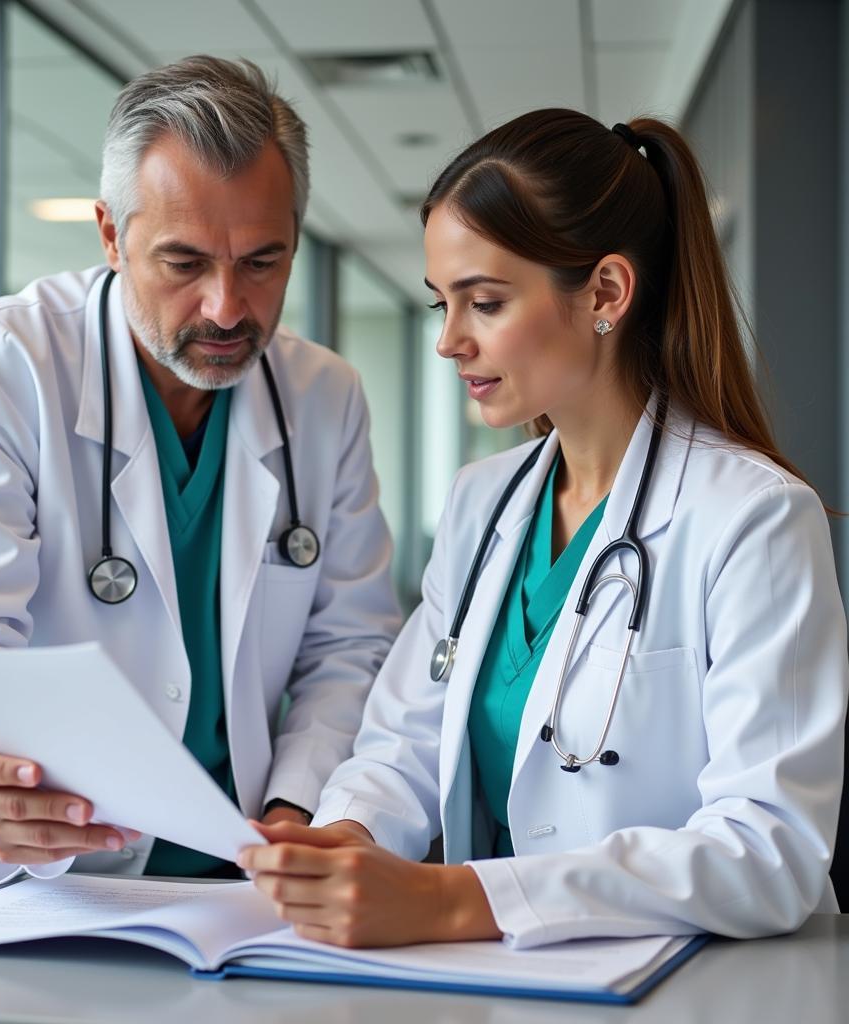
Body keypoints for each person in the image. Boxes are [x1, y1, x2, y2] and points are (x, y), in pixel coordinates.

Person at [239, 110, 849, 949]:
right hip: (501, 984)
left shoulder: (752, 518)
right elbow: (405, 738)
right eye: (441, 304)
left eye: (484, 302)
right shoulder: (481, 503)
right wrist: (352, 836)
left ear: (605, 293)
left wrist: (457, 901)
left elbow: (768, 852)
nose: (450, 341)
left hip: (686, 991)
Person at [0, 56, 402, 885]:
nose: (227, 308)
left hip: (238, 871)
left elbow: (351, 645)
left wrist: (301, 805)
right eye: (184, 263)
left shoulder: (324, 397)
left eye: (262, 263)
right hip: (29, 870)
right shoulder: (4, 362)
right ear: (112, 235)